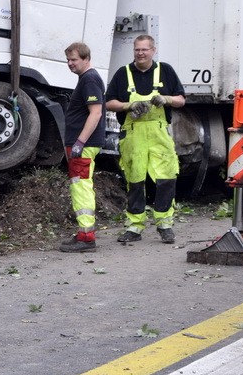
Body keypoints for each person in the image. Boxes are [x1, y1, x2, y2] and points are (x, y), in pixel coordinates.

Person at [105, 34, 186, 244]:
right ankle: (134, 226)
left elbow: (181, 100)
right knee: (135, 181)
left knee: (166, 179)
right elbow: (109, 102)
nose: (140, 53)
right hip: (134, 135)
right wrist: (128, 106)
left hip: (159, 134)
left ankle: (165, 225)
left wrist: (166, 99)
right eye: (137, 50)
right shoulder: (123, 74)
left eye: (144, 50)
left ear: (153, 50)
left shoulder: (165, 70)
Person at [60, 42, 106, 253]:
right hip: (84, 145)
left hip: (83, 146)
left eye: (74, 60)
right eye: (68, 60)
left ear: (86, 59)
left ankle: (86, 237)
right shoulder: (87, 79)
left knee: (81, 187)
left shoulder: (89, 79)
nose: (70, 64)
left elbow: (95, 112)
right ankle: (84, 234)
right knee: (81, 185)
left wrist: (79, 143)